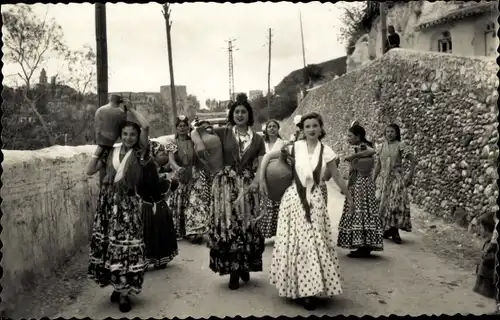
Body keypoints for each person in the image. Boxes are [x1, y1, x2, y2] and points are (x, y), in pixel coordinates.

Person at [261, 112, 352, 311]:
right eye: (307, 126)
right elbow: (269, 156)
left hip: (316, 199)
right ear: (302, 130)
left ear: (321, 128)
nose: (311, 129)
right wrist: (262, 179)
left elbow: (336, 176)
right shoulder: (294, 147)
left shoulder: (327, 151)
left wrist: (349, 196)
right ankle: (303, 289)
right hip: (294, 199)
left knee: (313, 241)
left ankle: (311, 289)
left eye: (315, 126)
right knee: (297, 242)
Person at [191, 93, 265, 290]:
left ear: (249, 115)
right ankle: (233, 271)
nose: (240, 115)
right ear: (232, 115)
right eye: (237, 112)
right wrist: (200, 141)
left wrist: (257, 182)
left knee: (247, 226)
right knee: (229, 226)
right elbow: (195, 132)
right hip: (225, 186)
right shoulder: (223, 132)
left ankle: (245, 265)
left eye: (244, 112)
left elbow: (261, 165)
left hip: (248, 187)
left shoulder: (258, 139)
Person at [86, 109, 149, 313]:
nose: (129, 138)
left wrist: (130, 110)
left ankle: (124, 293)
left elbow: (146, 126)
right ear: (120, 135)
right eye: (125, 134)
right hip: (108, 205)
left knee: (126, 247)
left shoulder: (140, 153)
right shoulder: (110, 152)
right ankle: (117, 285)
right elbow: (89, 170)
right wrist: (100, 148)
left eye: (133, 134)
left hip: (128, 206)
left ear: (137, 137)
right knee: (110, 248)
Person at [337, 124, 384, 257]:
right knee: (363, 212)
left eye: (350, 136)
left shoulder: (363, 147)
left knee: (360, 212)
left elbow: (372, 151)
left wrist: (352, 157)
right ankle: (363, 245)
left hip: (361, 184)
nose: (347, 138)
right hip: (360, 184)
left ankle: (363, 246)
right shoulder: (359, 147)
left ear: (358, 136)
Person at [138, 140, 179, 270]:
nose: (165, 155)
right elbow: (159, 191)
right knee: (155, 231)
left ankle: (150, 258)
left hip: (149, 206)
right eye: (161, 153)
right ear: (153, 154)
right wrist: (170, 184)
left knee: (149, 232)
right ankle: (158, 258)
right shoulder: (150, 170)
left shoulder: (150, 168)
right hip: (154, 207)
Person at [374, 123, 417, 244]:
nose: (389, 134)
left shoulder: (400, 146)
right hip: (383, 180)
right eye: (387, 131)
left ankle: (395, 232)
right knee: (384, 206)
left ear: (397, 133)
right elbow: (378, 165)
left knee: (395, 205)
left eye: (392, 131)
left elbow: (413, 159)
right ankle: (388, 230)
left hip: (396, 179)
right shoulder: (381, 147)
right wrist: (373, 179)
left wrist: (410, 175)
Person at [167, 115, 197, 240]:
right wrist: (177, 168)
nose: (182, 128)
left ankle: (192, 230)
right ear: (176, 128)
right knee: (179, 203)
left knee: (192, 203)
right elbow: (171, 160)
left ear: (188, 127)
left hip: (192, 175)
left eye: (185, 125)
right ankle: (179, 230)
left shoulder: (193, 142)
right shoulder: (172, 143)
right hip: (179, 176)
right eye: (180, 126)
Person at [184, 120, 214, 244]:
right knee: (195, 203)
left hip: (212, 175)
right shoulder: (194, 143)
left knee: (208, 203)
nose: (206, 130)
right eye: (203, 128)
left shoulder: (215, 142)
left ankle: (205, 230)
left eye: (208, 128)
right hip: (198, 176)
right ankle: (194, 231)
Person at [257, 119, 287, 240]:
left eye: (274, 126)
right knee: (264, 204)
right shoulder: (261, 144)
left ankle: (281, 234)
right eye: (270, 126)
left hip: (279, 179)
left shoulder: (283, 144)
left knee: (279, 206)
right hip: (263, 177)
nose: (272, 129)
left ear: (278, 129)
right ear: (266, 129)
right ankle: (263, 233)